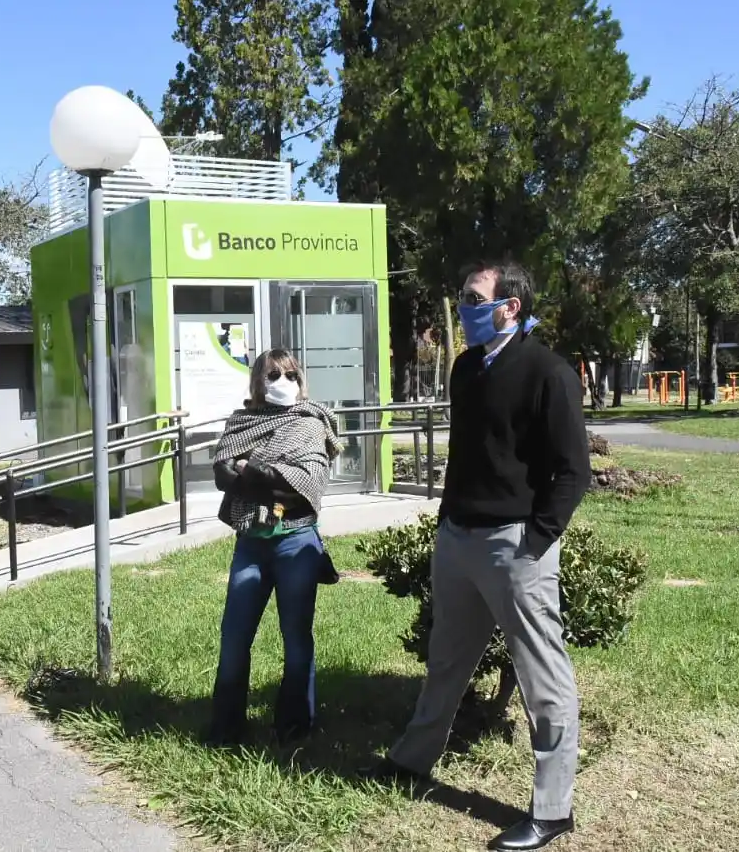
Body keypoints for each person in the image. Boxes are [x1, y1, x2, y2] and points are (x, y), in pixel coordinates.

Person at [365, 262, 591, 851]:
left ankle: (552, 809)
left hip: (516, 545)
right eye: (463, 296)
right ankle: (413, 761)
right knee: (446, 661)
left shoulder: (549, 372)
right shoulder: (466, 369)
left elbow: (573, 472)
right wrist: (447, 522)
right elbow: (469, 456)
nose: (463, 308)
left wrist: (535, 541)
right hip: (458, 540)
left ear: (509, 307)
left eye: (473, 298)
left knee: (544, 678)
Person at [206, 349, 342, 747]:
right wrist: (264, 476)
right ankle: (226, 727)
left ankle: (295, 726)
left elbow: (306, 487)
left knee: (295, 635)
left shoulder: (310, 423)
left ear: (301, 380)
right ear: (257, 382)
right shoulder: (242, 421)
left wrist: (251, 470)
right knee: (234, 635)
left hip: (296, 541)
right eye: (272, 375)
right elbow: (221, 474)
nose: (283, 382)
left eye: (290, 375)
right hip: (251, 543)